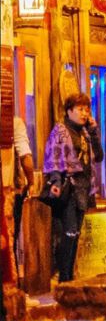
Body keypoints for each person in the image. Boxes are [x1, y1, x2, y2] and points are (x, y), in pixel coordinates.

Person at [42, 93, 104, 282]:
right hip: (68, 188)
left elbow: (99, 156)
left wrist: (94, 132)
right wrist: (55, 181)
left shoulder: (85, 133)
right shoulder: (60, 131)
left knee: (76, 234)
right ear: (69, 111)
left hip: (83, 190)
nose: (84, 113)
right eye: (80, 109)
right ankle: (64, 277)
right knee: (69, 232)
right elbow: (53, 158)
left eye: (87, 109)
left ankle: (69, 277)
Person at [12, 115, 34, 269]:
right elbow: (25, 156)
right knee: (10, 239)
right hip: (10, 191)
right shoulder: (14, 123)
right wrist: (31, 182)